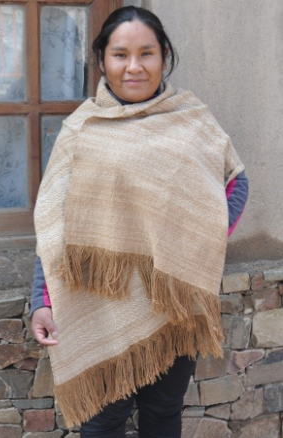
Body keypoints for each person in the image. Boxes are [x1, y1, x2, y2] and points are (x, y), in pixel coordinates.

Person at [31, 6, 248, 438]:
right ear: (102, 61)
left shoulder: (193, 121)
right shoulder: (81, 129)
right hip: (97, 302)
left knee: (163, 415)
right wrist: (42, 299)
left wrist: (192, 244)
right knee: (102, 422)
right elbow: (53, 224)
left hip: (172, 302)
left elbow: (234, 182)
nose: (134, 67)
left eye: (146, 53)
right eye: (120, 55)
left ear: (164, 56)